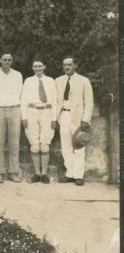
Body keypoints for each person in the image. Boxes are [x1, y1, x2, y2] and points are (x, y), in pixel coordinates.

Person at [55, 56, 94, 186]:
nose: (66, 67)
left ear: (75, 66)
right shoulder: (58, 81)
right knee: (65, 147)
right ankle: (70, 174)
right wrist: (56, 118)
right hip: (63, 116)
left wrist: (85, 119)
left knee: (78, 146)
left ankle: (78, 176)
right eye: (64, 65)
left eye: (69, 65)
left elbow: (89, 102)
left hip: (78, 118)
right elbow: (56, 101)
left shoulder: (84, 81)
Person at [0, 52, 23, 183]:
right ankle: (0, 172)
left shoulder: (18, 75)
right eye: (5, 60)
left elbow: (20, 94)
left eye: (9, 60)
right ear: (0, 61)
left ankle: (13, 172)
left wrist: (21, 112)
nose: (7, 62)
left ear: (12, 61)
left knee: (14, 143)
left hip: (15, 109)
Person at [20, 60, 57, 184]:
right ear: (32, 68)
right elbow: (24, 99)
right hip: (32, 111)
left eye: (40, 66)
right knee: (35, 144)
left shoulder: (51, 81)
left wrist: (54, 118)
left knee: (45, 143)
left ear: (44, 67)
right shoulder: (28, 81)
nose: (38, 68)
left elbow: (55, 100)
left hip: (47, 111)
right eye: (35, 66)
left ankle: (44, 174)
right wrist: (24, 117)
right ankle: (36, 173)